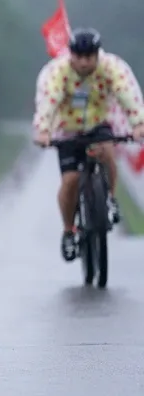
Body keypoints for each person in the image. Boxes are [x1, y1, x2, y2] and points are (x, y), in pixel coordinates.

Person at [32, 28, 144, 262]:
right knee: (70, 180)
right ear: (71, 54)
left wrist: (138, 123)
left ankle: (110, 199)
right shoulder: (58, 72)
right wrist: (43, 130)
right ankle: (68, 230)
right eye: (79, 56)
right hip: (67, 128)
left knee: (106, 151)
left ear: (97, 55)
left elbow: (128, 94)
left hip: (99, 122)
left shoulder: (112, 68)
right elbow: (48, 101)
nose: (83, 62)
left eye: (89, 56)